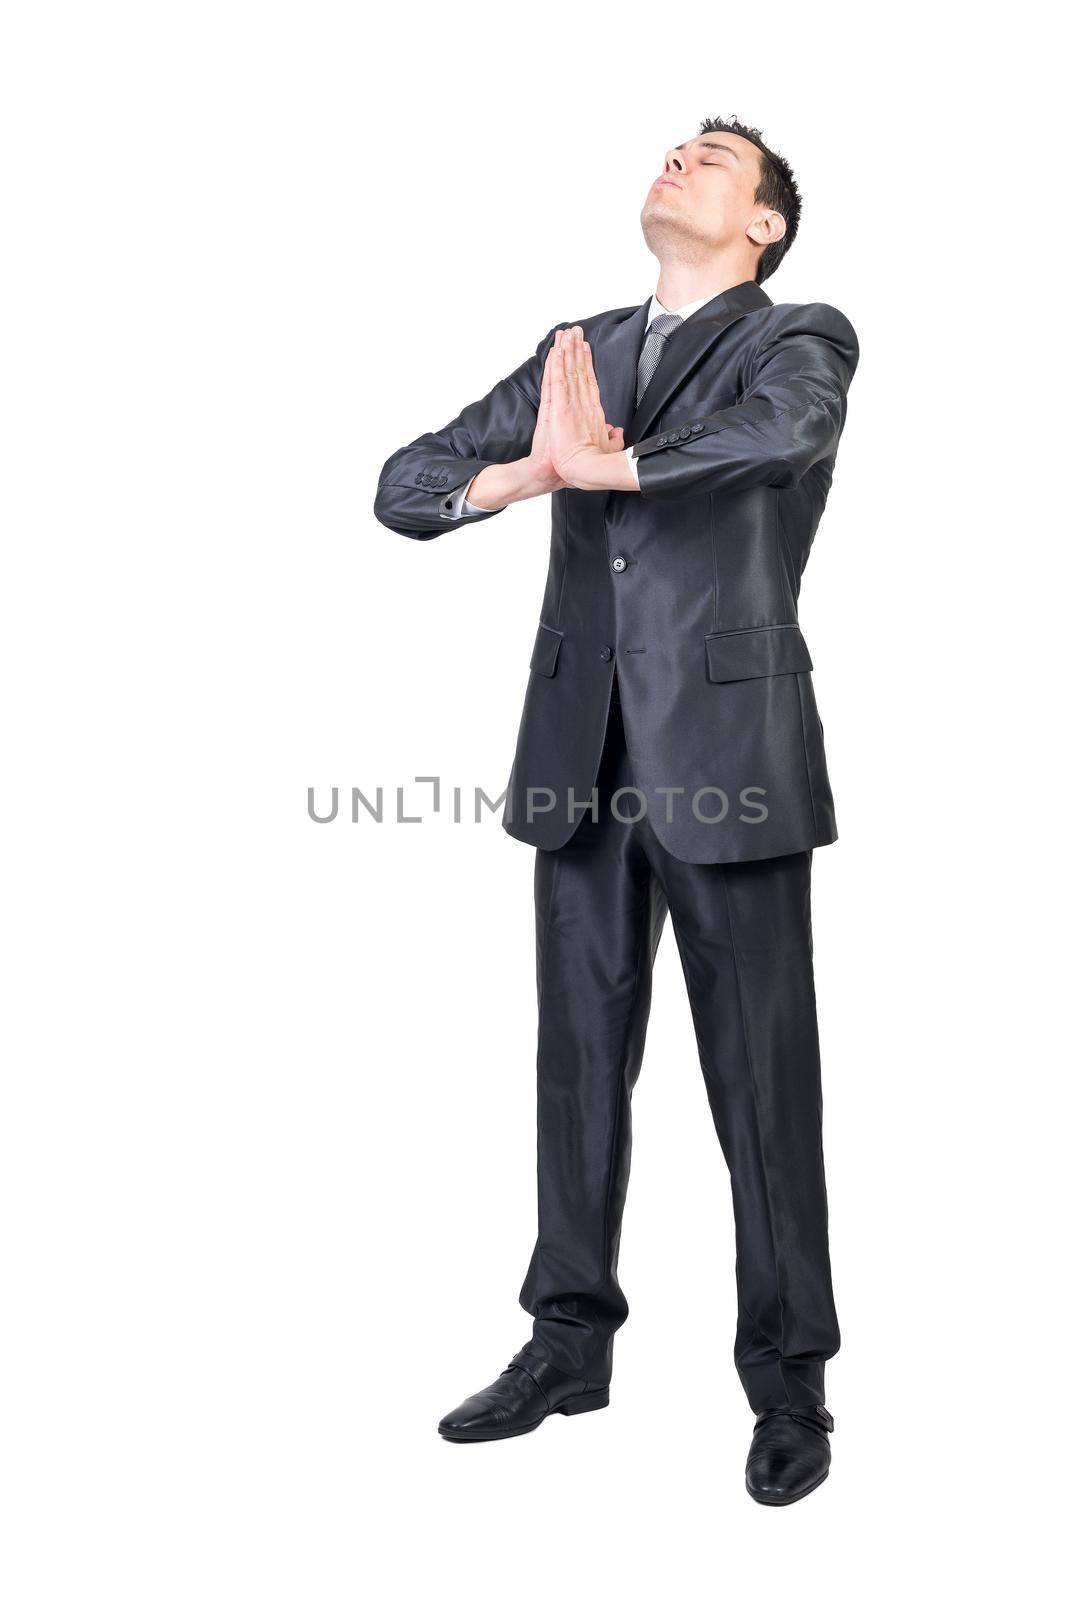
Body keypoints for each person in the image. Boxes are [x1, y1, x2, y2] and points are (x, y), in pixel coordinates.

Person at [373, 115, 859, 1505]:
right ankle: (565, 1343)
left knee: (761, 1093)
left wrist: (607, 466)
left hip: (730, 757)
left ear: (762, 224)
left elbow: (780, 438)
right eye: (673, 150)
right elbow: (401, 483)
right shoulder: (576, 350)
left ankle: (789, 1386)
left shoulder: (800, 335)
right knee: (578, 1072)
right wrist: (520, 472)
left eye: (714, 160)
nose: (678, 163)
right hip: (578, 763)